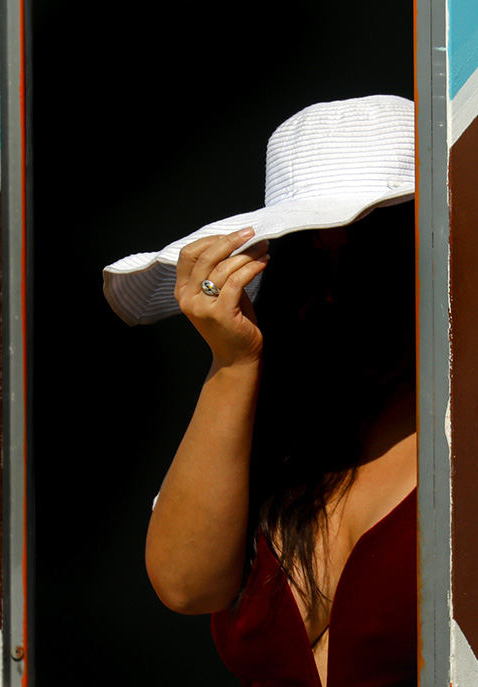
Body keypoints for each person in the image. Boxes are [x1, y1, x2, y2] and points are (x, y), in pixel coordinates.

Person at [103, 96, 417, 687]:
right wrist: (234, 360)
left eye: (368, 258)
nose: (332, 294)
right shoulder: (276, 436)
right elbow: (186, 585)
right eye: (306, 259)